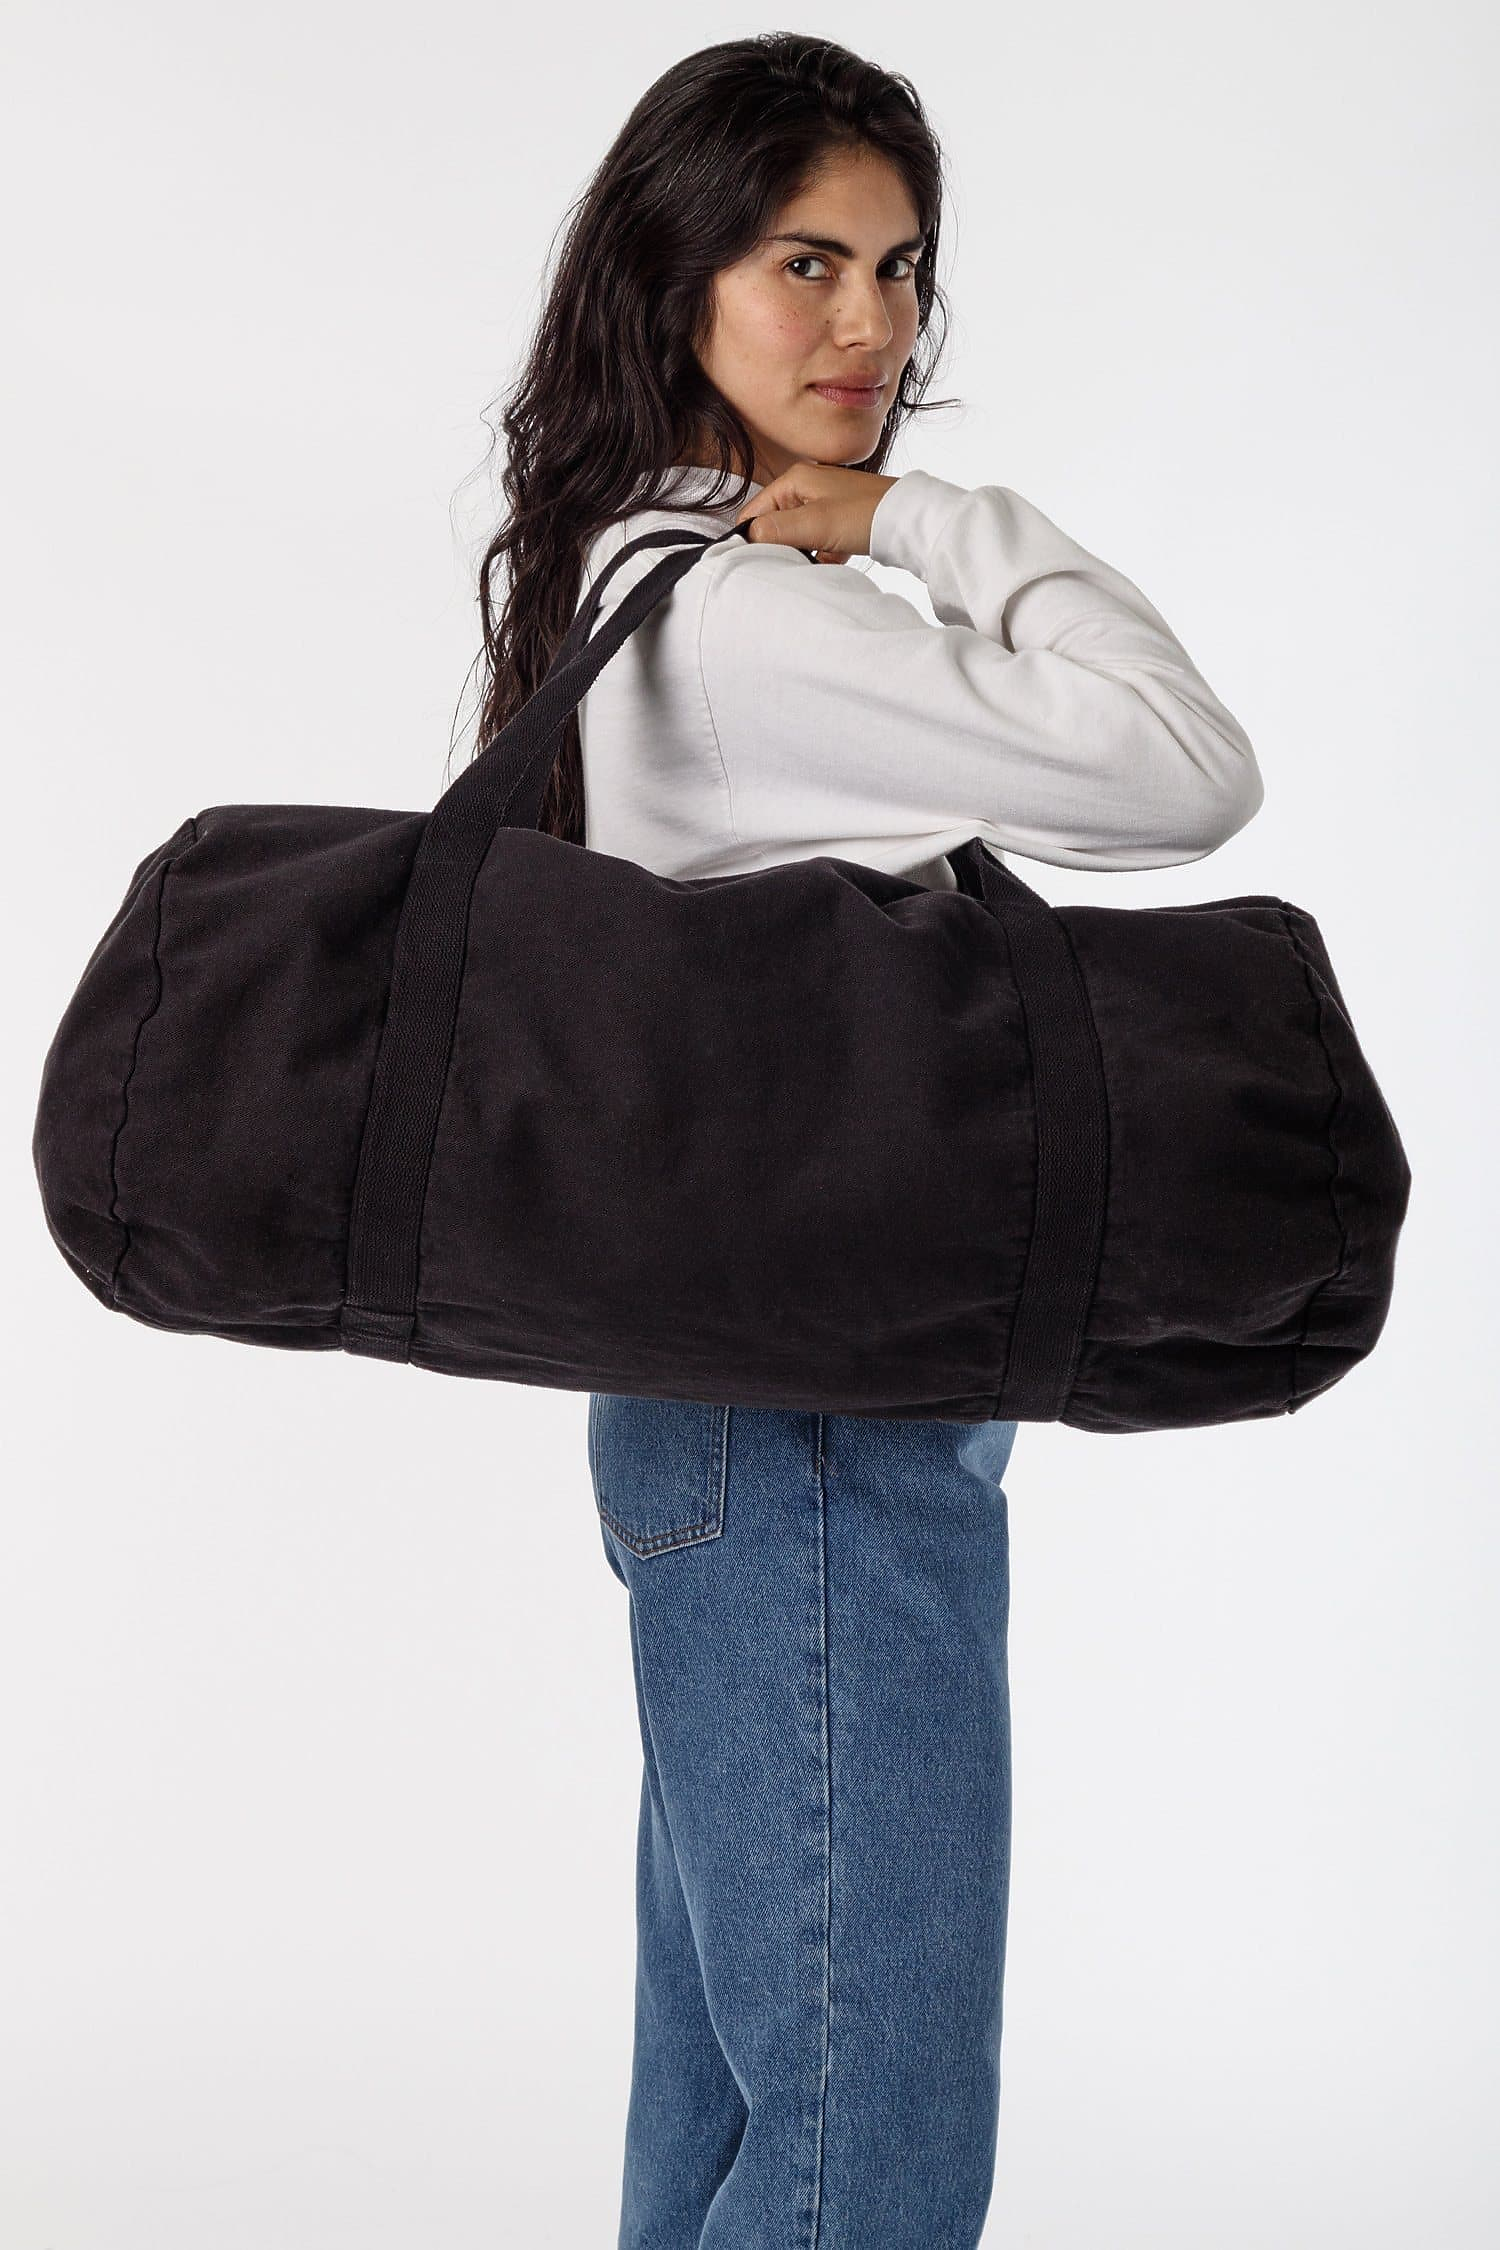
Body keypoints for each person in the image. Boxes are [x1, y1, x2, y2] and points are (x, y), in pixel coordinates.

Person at [468, 34, 1263, 2249]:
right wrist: (932, 519)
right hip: (816, 1428)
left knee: (741, 2118)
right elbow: (1186, 768)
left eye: (901, 268)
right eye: (804, 262)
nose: (872, 325)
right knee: (862, 2154)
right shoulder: (743, 613)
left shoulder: (630, 571)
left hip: (724, 1408)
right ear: (679, 281)